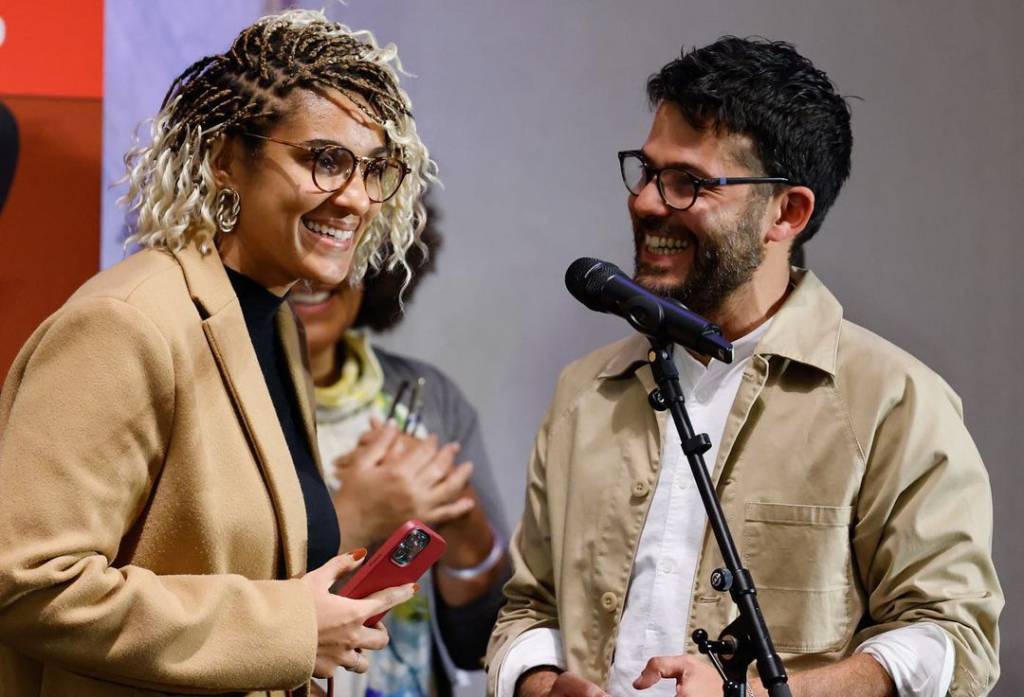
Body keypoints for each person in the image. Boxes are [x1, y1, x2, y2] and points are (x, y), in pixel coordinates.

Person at [486, 37, 1002, 697]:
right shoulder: (584, 391)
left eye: (687, 183)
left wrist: (754, 696)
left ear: (786, 212)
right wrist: (538, 683)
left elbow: (950, 637)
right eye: (646, 172)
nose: (646, 202)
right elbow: (527, 608)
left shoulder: (894, 400)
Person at [0, 10, 436, 696]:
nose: (354, 197)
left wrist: (319, 611)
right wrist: (288, 626)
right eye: (325, 159)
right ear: (225, 160)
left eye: (374, 168)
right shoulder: (129, 323)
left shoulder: (274, 325)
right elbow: (27, 582)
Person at [288, 205, 511, 697]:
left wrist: (466, 531)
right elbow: (215, 617)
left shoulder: (432, 400)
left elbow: (486, 639)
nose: (315, 271)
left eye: (342, 240)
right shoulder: (217, 398)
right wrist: (355, 519)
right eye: (299, 240)